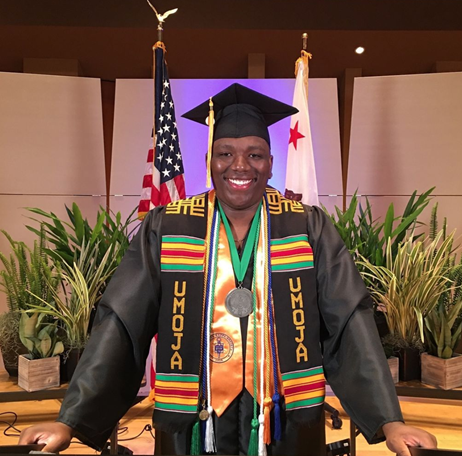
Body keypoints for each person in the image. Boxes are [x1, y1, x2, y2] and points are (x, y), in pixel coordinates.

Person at [20, 83, 437, 456]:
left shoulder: (306, 225)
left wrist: (389, 419)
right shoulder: (169, 225)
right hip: (195, 420)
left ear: (271, 163)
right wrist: (69, 419)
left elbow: (349, 322)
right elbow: (121, 322)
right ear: (210, 160)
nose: (240, 166)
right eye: (226, 153)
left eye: (254, 154)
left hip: (283, 417)